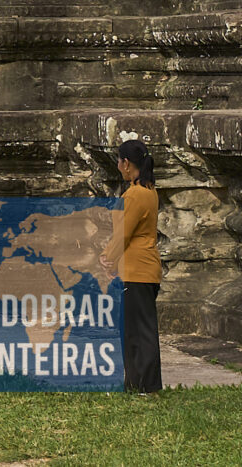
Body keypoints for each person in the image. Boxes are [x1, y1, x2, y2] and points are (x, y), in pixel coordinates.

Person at [106, 136, 162, 394]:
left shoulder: (136, 194)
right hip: (144, 267)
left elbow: (123, 234)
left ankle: (144, 384)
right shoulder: (148, 190)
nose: (118, 165)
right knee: (137, 330)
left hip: (137, 269)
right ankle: (138, 383)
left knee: (139, 332)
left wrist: (107, 257)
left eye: (119, 160)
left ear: (126, 163)